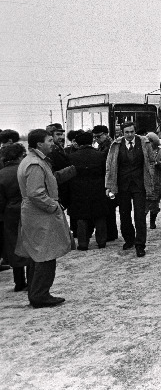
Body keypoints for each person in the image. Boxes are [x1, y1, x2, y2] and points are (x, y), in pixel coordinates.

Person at [16, 129, 76, 308]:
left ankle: (37, 293)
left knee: (37, 254)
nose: (53, 143)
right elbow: (35, 193)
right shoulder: (35, 164)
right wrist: (53, 206)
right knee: (45, 254)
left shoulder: (33, 161)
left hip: (35, 214)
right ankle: (40, 295)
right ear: (39, 144)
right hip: (40, 215)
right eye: (50, 140)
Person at [105, 121, 155, 257]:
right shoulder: (116, 145)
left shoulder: (144, 143)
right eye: (127, 132)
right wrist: (109, 186)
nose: (129, 134)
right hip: (122, 185)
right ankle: (129, 239)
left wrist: (151, 181)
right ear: (122, 132)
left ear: (135, 131)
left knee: (140, 215)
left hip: (139, 185)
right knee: (124, 214)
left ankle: (140, 245)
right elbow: (110, 166)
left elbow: (151, 162)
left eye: (132, 132)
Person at [67, 131, 108, 250]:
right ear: (91, 141)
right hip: (98, 189)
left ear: (78, 143)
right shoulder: (100, 155)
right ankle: (101, 241)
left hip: (78, 190)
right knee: (99, 216)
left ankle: (83, 243)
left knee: (81, 217)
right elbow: (105, 172)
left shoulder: (71, 157)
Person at [0, 143, 32, 291]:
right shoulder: (25, 170)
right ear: (21, 155)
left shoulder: (2, 173)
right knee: (31, 243)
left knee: (14, 245)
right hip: (29, 209)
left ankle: (19, 282)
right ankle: (32, 280)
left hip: (10, 213)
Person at [92, 125, 119, 242]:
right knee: (109, 208)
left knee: (109, 207)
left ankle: (111, 233)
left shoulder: (110, 147)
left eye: (98, 136)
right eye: (95, 137)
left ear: (105, 134)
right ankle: (111, 232)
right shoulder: (103, 146)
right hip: (107, 180)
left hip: (110, 181)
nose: (97, 139)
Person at [145, 132, 161, 230]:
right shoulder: (144, 151)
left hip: (157, 181)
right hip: (146, 182)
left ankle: (152, 221)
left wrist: (159, 163)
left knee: (154, 204)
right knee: (144, 204)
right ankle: (142, 222)